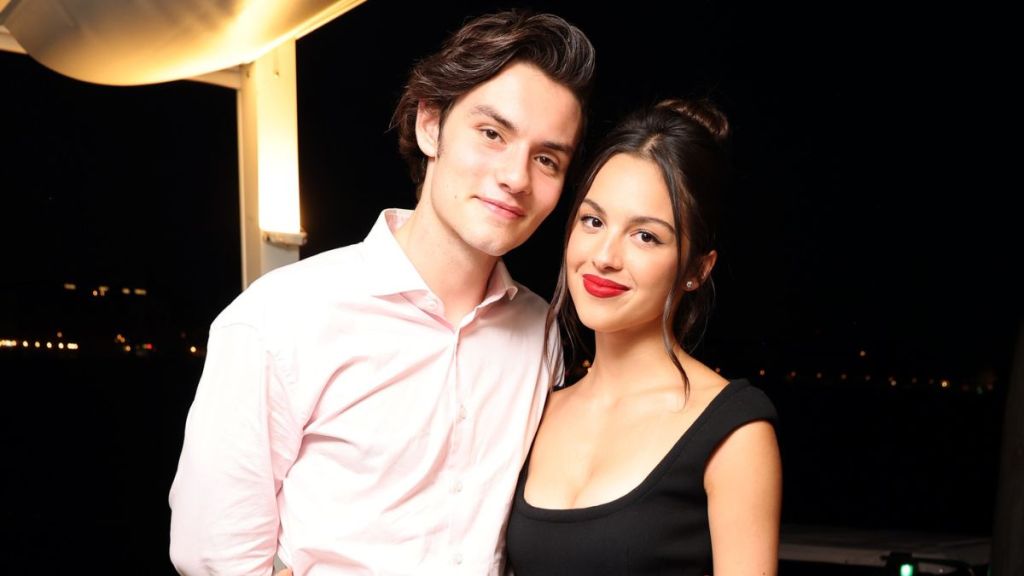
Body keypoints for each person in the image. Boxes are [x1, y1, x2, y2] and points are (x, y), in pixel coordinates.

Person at [168, 10, 595, 575]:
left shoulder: (542, 337)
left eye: (547, 159)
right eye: (492, 134)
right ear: (430, 126)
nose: (516, 177)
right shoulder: (279, 318)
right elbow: (214, 553)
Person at [505, 98, 782, 575]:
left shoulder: (733, 431)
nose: (605, 256)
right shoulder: (535, 405)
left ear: (697, 269)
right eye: (593, 221)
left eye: (646, 236)